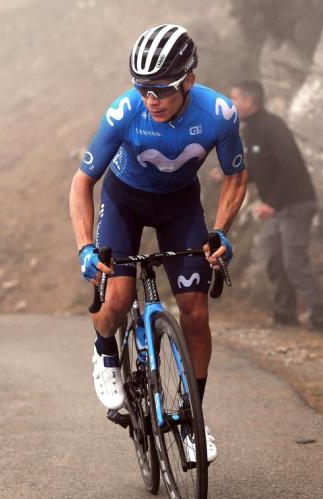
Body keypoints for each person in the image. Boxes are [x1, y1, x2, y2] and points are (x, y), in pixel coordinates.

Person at [69, 24, 248, 463]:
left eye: (162, 89)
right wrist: (85, 248)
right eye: (143, 88)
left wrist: (221, 229)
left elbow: (236, 176)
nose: (152, 100)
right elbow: (82, 184)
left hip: (179, 208)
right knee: (117, 298)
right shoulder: (123, 113)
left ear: (188, 79)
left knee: (195, 311)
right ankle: (106, 351)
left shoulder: (219, 115)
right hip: (124, 203)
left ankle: (192, 420)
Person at [230, 80, 323, 334]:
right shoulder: (250, 129)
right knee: (275, 260)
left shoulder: (273, 127)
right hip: (278, 206)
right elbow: (259, 168)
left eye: (235, 99)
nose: (231, 104)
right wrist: (233, 175)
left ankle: (321, 321)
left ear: (249, 101)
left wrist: (271, 204)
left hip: (297, 204)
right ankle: (285, 316)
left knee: (294, 262)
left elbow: (291, 167)